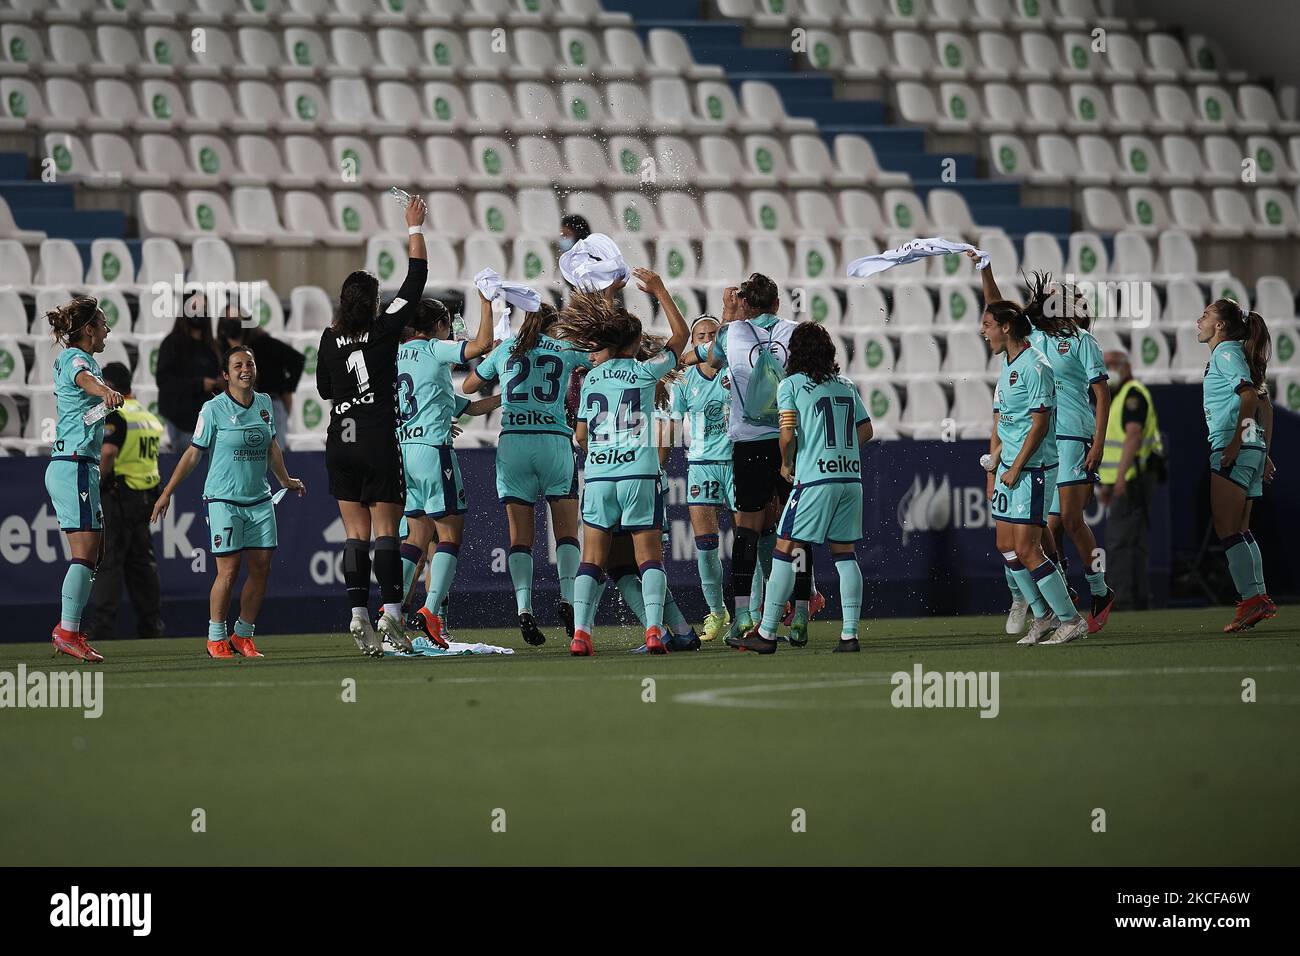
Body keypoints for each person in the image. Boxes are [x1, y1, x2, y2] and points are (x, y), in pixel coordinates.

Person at [974, 255, 1115, 632]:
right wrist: (985, 269)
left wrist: (1099, 444)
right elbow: (999, 309)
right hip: (1049, 441)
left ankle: (1099, 586)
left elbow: (1103, 395)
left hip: (1075, 436)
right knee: (1045, 530)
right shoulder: (1032, 338)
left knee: (1070, 520)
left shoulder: (1084, 342)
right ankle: (1059, 594)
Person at [317, 192, 427, 657]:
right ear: (375, 302)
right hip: (378, 435)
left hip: (341, 436)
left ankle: (358, 614)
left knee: (354, 534)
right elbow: (417, 278)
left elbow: (324, 389)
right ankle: (393, 616)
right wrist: (414, 227)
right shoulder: (385, 329)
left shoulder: (329, 336)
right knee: (387, 529)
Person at [557, 268, 689, 656]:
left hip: (599, 477)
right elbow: (679, 339)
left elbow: (580, 436)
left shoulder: (591, 378)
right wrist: (660, 291)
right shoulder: (646, 372)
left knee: (591, 561)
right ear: (635, 344)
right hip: (638, 474)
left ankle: (581, 634)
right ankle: (653, 631)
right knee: (649, 559)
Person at [151, 346, 305, 658]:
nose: (245, 369)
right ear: (226, 374)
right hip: (223, 499)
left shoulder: (264, 404)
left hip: (260, 499)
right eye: (237, 365)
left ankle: (242, 635)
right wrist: (167, 491)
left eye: (250, 363)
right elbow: (194, 453)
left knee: (261, 568)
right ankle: (215, 638)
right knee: (229, 570)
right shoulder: (213, 409)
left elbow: (272, 446)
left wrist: (285, 480)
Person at [731, 323, 872, 654]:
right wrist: (841, 452)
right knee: (845, 554)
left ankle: (765, 633)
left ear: (796, 353)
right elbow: (865, 430)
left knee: (785, 548)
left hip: (814, 480)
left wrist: (786, 462)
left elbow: (787, 433)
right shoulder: (846, 385)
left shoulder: (791, 384)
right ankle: (850, 635)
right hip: (850, 480)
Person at [462, 301, 589, 646]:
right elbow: (599, 357)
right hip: (553, 441)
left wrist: (505, 384)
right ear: (555, 325)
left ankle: (524, 610)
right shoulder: (565, 348)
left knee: (520, 538)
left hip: (514, 443)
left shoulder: (506, 349)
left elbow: (469, 387)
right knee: (566, 534)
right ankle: (567, 601)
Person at [685, 274, 802, 642]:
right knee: (795, 531)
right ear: (778, 303)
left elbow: (708, 358)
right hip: (789, 438)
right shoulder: (797, 332)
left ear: (747, 304)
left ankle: (741, 618)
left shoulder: (730, 333)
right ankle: (798, 617)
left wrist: (729, 312)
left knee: (747, 532)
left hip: (749, 443)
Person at [982, 299, 1089, 646]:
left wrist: (1014, 467)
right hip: (1011, 467)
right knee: (1005, 544)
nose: (983, 332)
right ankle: (1042, 616)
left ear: (1006, 327)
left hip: (1034, 469)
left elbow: (1040, 425)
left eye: (987, 324)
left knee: (1029, 549)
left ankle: (1071, 619)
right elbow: (1012, 424)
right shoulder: (1008, 364)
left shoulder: (1036, 366)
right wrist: (996, 461)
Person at [394, 293, 497, 651]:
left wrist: (511, 396)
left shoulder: (397, 357)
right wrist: (485, 302)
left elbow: (469, 406)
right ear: (437, 326)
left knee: (416, 535)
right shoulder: (434, 349)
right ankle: (432, 611)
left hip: (404, 453)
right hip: (433, 452)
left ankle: (392, 613)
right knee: (451, 535)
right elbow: (482, 344)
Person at [43, 295, 123, 663]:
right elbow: (83, 378)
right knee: (85, 555)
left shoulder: (84, 361)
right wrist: (104, 391)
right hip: (73, 464)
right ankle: (68, 631)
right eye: (104, 324)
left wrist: (100, 403)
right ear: (89, 329)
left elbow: (82, 403)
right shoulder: (77, 360)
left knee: (94, 553)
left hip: (78, 464)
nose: (108, 330)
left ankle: (70, 630)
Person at [1195, 298, 1277, 632]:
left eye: (1205, 315)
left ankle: (1252, 600)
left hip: (1234, 444)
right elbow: (1265, 406)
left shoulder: (1225, 353)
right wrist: (1263, 450)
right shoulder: (1238, 355)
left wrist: (1236, 442)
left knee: (1227, 529)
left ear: (1220, 326)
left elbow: (1247, 397)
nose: (1197, 320)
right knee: (1241, 530)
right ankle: (1257, 598)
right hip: (1251, 446)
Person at [667, 314, 735, 640]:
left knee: (754, 540)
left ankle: (751, 614)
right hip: (702, 463)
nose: (707, 339)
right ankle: (717, 611)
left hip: (737, 463)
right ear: (693, 343)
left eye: (713, 334)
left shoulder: (736, 372)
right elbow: (670, 421)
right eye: (701, 335)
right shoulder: (683, 381)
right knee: (706, 545)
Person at [88, 361, 165, 642]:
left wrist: (96, 485)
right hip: (145, 496)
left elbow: (108, 454)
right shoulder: (147, 416)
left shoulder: (116, 413)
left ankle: (103, 627)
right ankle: (151, 624)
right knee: (142, 565)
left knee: (109, 563)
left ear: (109, 384)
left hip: (119, 495)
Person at [1097, 349, 1163, 612]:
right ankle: (1138, 598)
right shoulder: (1120, 396)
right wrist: (1109, 483)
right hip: (1128, 477)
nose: (1109, 369)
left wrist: (1120, 478)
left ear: (1126, 365)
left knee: (1120, 541)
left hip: (1134, 477)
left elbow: (1133, 437)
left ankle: (1123, 598)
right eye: (1106, 365)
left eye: (1113, 364)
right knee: (1133, 541)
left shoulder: (1132, 395)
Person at [217, 303, 305, 441]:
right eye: (229, 320)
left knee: (273, 456)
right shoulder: (218, 349)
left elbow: (297, 360)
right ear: (222, 325)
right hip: (231, 409)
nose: (233, 323)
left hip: (267, 405)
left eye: (237, 319)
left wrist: (287, 389)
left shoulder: (264, 343)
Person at [157, 291, 221, 450]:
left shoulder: (212, 347)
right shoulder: (172, 343)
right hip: (182, 422)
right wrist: (200, 384)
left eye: (203, 308)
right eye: (194, 306)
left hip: (210, 423)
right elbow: (164, 381)